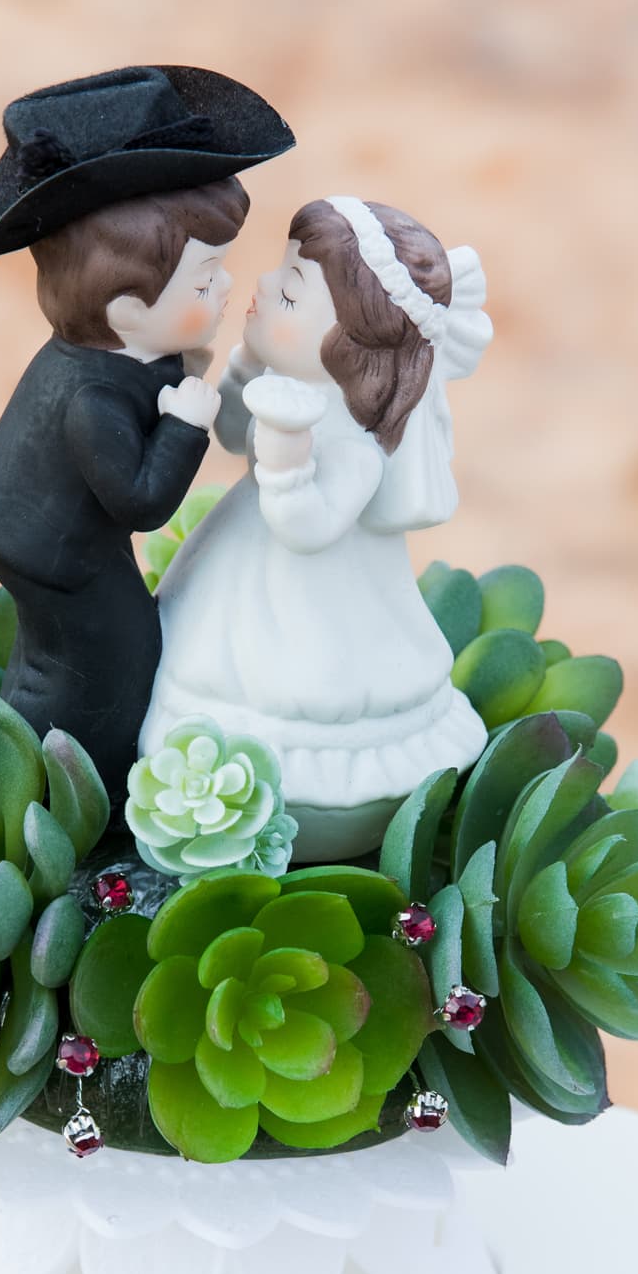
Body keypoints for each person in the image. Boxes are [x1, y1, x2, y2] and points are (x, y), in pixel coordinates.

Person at [0, 64, 293, 798]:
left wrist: (178, 372)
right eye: (205, 283)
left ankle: (22, 746)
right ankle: (71, 791)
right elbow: (140, 505)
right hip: (47, 543)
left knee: (55, 650)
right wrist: (185, 424)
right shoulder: (91, 400)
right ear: (129, 312)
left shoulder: (117, 351)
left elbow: (153, 377)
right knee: (115, 656)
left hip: (21, 513)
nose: (226, 288)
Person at [141, 196, 490, 858]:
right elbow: (232, 433)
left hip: (312, 611)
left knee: (296, 705)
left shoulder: (355, 443)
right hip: (240, 570)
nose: (265, 286)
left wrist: (288, 453)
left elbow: (305, 525)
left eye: (292, 294)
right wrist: (235, 373)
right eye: (280, 272)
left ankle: (303, 811)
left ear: (348, 344)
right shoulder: (286, 386)